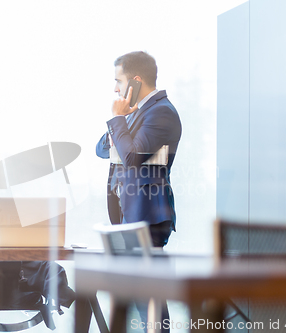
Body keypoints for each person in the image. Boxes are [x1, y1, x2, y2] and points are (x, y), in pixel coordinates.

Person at [96, 51, 182, 332]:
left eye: (118, 81)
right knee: (140, 299)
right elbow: (102, 149)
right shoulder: (139, 113)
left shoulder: (162, 113)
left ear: (135, 80)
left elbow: (131, 158)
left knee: (150, 300)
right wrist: (123, 122)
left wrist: (119, 120)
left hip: (148, 215)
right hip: (131, 214)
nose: (115, 89)